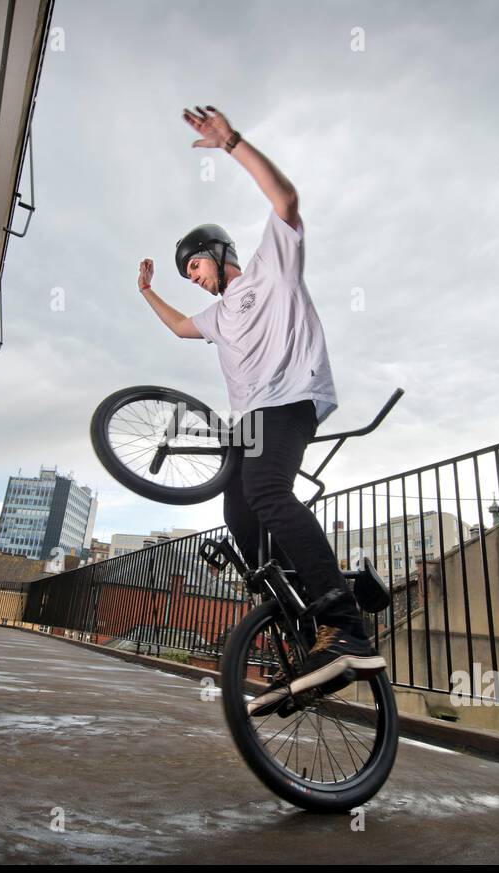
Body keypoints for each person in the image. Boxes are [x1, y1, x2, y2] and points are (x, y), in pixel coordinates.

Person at [137, 105, 384, 712]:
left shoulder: (272, 269)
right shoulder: (216, 316)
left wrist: (232, 144)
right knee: (242, 517)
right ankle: (304, 628)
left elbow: (287, 197)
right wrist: (148, 292)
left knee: (270, 492)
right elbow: (177, 328)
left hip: (293, 399)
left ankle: (345, 620)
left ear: (218, 252)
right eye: (187, 275)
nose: (192, 279)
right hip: (250, 421)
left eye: (194, 267)